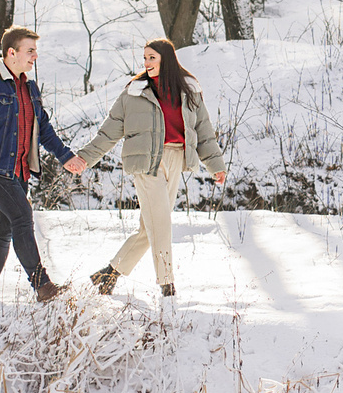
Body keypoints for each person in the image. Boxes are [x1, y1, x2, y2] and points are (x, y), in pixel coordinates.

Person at [72, 38, 227, 298]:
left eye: (151, 57)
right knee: (161, 223)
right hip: (146, 163)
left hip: (176, 159)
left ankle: (109, 274)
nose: (146, 62)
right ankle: (167, 283)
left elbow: (203, 130)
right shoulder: (134, 92)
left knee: (150, 227)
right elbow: (109, 131)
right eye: (144, 58)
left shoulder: (189, 90)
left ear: (167, 59)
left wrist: (215, 165)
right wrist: (85, 158)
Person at [0, 26, 79, 302]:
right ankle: (43, 286)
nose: (35, 56)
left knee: (2, 233)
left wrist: (66, 156)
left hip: (19, 172)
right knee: (23, 217)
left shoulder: (29, 88)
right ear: (11, 53)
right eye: (30, 50)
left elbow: (44, 129)